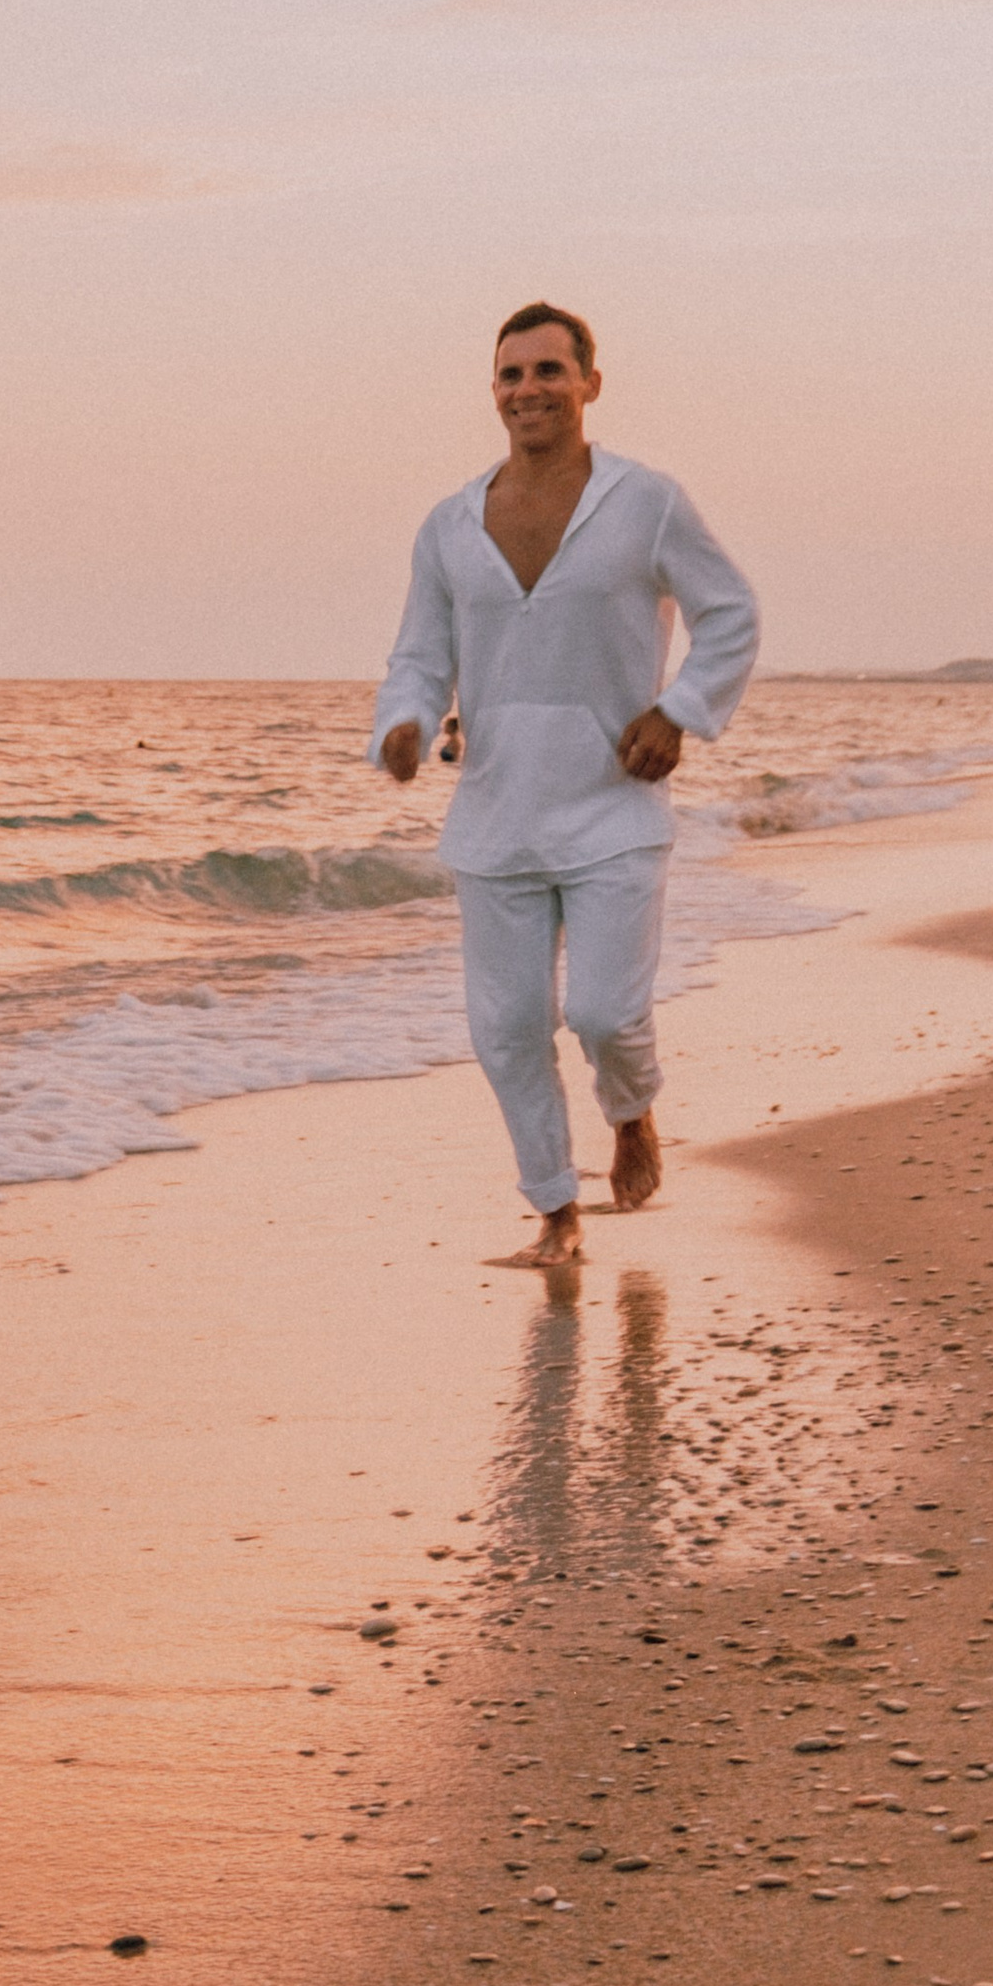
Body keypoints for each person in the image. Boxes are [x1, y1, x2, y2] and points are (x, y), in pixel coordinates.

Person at [372, 301, 759, 1266]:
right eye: (511, 375)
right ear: (493, 392)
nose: (529, 390)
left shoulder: (646, 501)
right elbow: (418, 654)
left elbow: (731, 613)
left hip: (614, 806)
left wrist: (679, 711)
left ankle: (632, 1110)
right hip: (495, 813)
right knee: (506, 1028)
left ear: (590, 383)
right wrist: (403, 723)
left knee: (603, 1013)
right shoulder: (449, 525)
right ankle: (555, 1213)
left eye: (549, 370)